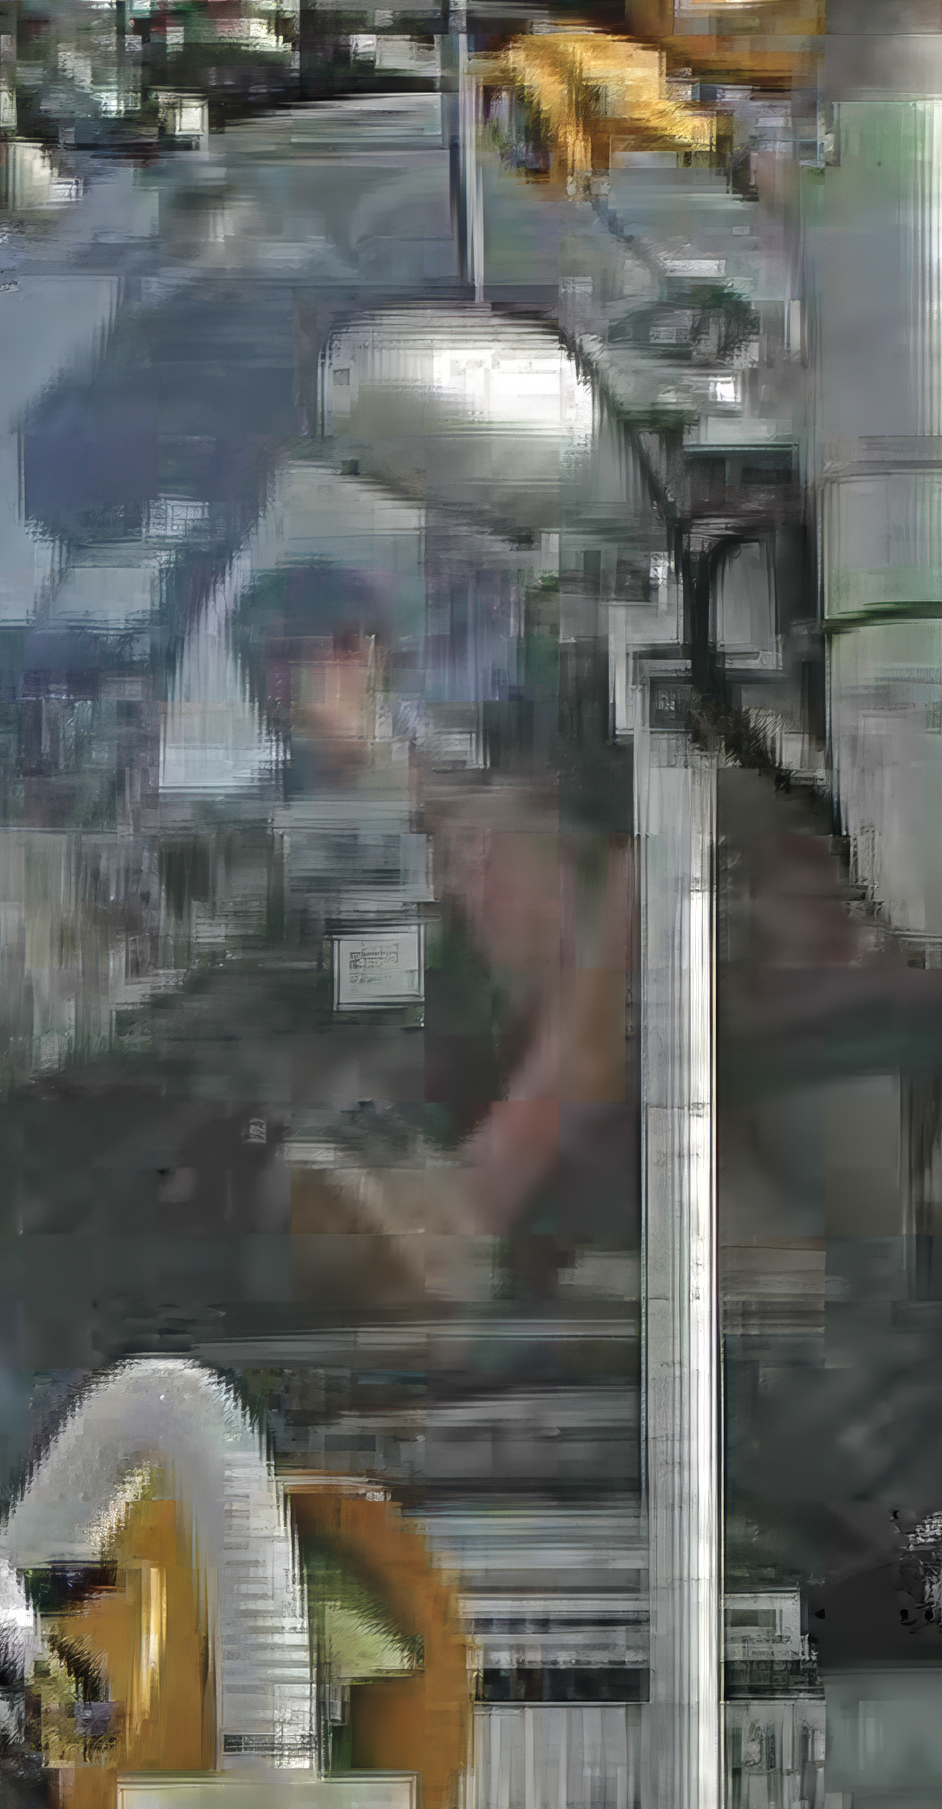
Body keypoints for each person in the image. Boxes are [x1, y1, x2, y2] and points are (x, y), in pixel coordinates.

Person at [215, 552, 633, 1314]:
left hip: (459, 1094)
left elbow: (567, 1015)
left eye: (286, 658)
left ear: (364, 652)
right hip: (306, 1091)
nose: (268, 691)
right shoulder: (243, 829)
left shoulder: (477, 797)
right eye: (252, 667)